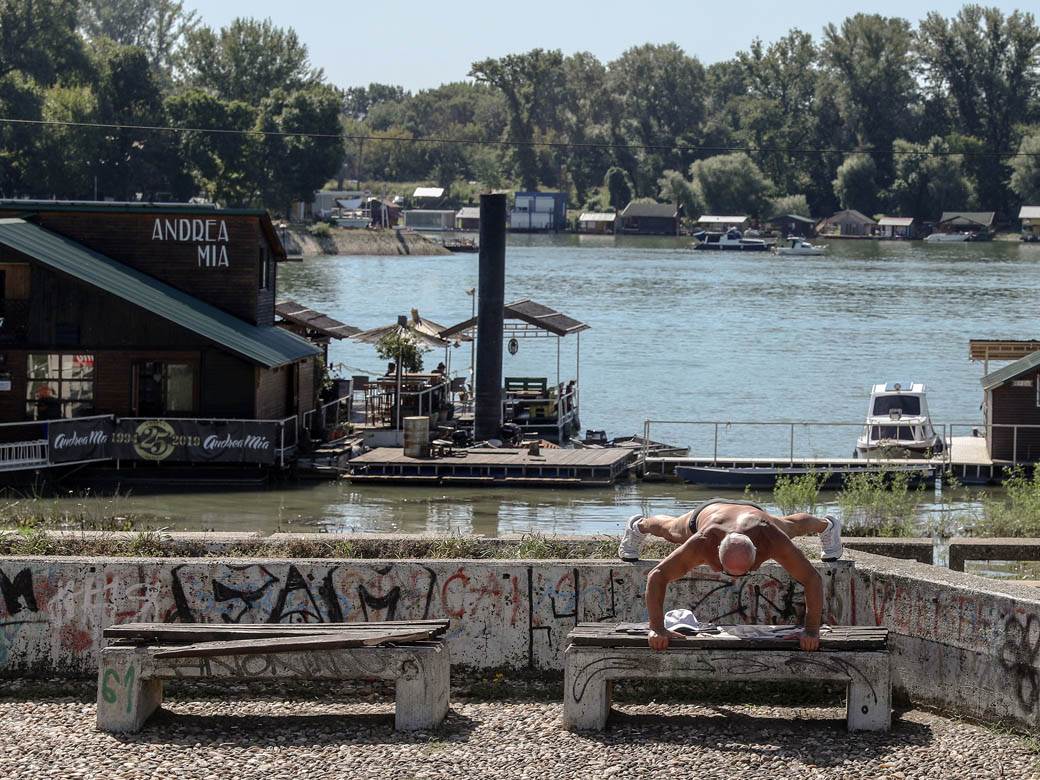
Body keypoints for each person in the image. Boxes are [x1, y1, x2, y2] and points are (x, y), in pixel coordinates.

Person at [617, 499, 843, 653]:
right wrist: (657, 627)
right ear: (715, 554)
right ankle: (638, 526)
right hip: (711, 514)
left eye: (744, 572)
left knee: (791, 526)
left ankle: (827, 525)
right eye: (727, 571)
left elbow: (812, 578)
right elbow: (657, 575)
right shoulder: (703, 542)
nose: (735, 578)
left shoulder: (771, 538)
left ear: (758, 552)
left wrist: (811, 630)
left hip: (754, 515)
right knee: (672, 530)